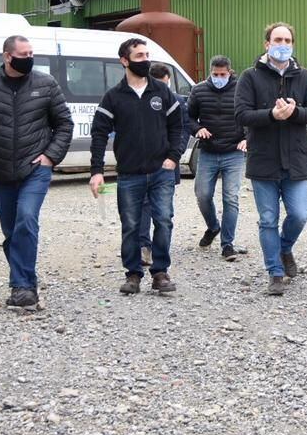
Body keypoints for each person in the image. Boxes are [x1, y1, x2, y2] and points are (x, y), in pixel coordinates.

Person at [0, 35, 74, 308]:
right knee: (11, 232)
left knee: (26, 219)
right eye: (24, 53)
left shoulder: (46, 84)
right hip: (1, 172)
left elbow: (64, 124)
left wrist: (50, 156)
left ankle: (21, 287)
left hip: (35, 170)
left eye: (31, 52)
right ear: (7, 56)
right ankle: (27, 281)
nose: (29, 58)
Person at [89, 38, 185, 296]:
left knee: (164, 220)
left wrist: (174, 156)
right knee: (131, 224)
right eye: (139, 56)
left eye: (146, 54)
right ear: (125, 61)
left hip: (161, 171)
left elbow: (178, 125)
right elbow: (99, 133)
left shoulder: (162, 92)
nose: (146, 60)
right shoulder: (113, 97)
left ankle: (161, 273)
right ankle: (133, 274)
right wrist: (96, 171)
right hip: (130, 174)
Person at [235, 22, 307, 296]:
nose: (282, 44)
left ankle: (284, 248)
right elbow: (241, 115)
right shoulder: (250, 77)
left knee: (299, 214)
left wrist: (295, 113)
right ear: (266, 44)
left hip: (295, 160)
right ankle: (274, 271)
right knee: (268, 218)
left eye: (287, 40)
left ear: (293, 44)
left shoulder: (305, 77)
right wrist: (271, 115)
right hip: (263, 161)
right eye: (277, 39)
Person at [188, 55, 247, 261]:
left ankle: (227, 244)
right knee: (203, 194)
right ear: (210, 73)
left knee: (231, 198)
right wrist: (198, 128)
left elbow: (251, 115)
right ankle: (213, 227)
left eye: (222, 74)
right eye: (215, 75)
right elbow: (188, 118)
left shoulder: (242, 89)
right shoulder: (198, 90)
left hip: (234, 151)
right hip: (208, 151)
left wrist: (248, 138)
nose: (219, 78)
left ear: (229, 72)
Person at [135, 62, 194, 267]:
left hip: (167, 164)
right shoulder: (138, 100)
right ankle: (144, 246)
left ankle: (161, 250)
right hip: (142, 164)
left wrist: (174, 156)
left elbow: (185, 129)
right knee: (143, 205)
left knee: (164, 211)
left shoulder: (177, 102)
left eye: (166, 85)